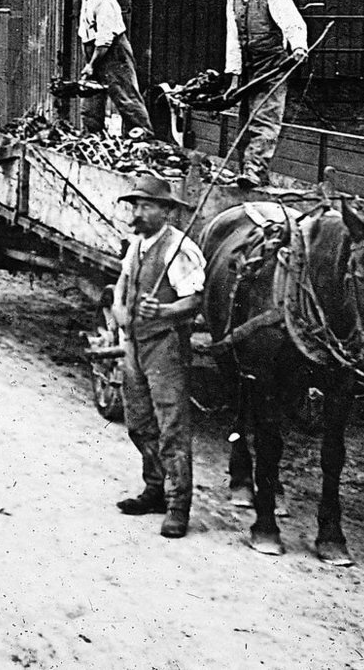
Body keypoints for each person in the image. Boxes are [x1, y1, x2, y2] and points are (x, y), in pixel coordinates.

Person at [112, 176, 206, 539]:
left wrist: (164, 310)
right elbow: (123, 281)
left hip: (165, 347)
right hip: (134, 343)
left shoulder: (178, 249)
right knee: (138, 422)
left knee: (172, 428)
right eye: (135, 206)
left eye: (146, 206)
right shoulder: (136, 244)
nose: (137, 213)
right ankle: (154, 489)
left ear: (166, 211)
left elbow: (194, 300)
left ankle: (178, 506)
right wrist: (120, 308)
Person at [223, 0, 309, 189]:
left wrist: (299, 46)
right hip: (249, 69)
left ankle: (254, 173)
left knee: (266, 119)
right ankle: (245, 172)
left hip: (272, 67)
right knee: (245, 121)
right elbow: (233, 41)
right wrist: (235, 78)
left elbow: (293, 23)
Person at [74, 0, 153, 137]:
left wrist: (91, 65)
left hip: (113, 54)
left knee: (126, 98)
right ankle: (93, 138)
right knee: (90, 96)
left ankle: (144, 139)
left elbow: (104, 40)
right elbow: (86, 34)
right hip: (94, 53)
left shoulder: (105, 1)